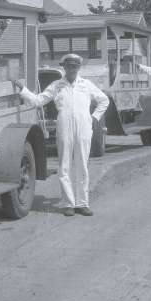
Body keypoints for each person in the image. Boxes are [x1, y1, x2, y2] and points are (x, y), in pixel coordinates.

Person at [14, 54, 109, 217]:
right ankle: (69, 204)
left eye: (74, 67)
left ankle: (82, 203)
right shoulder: (57, 85)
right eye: (68, 66)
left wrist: (94, 118)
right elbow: (38, 101)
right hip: (64, 126)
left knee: (82, 165)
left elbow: (104, 100)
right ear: (64, 68)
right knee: (64, 165)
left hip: (84, 128)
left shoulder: (86, 85)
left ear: (78, 68)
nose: (71, 70)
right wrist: (23, 89)